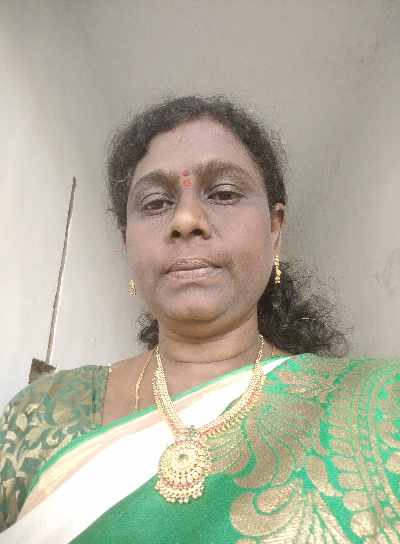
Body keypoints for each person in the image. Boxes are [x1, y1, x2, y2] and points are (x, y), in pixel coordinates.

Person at [0, 95, 399, 543]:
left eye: (224, 194)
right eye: (155, 203)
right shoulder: (42, 413)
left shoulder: (381, 407)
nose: (187, 219)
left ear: (274, 229)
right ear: (126, 244)